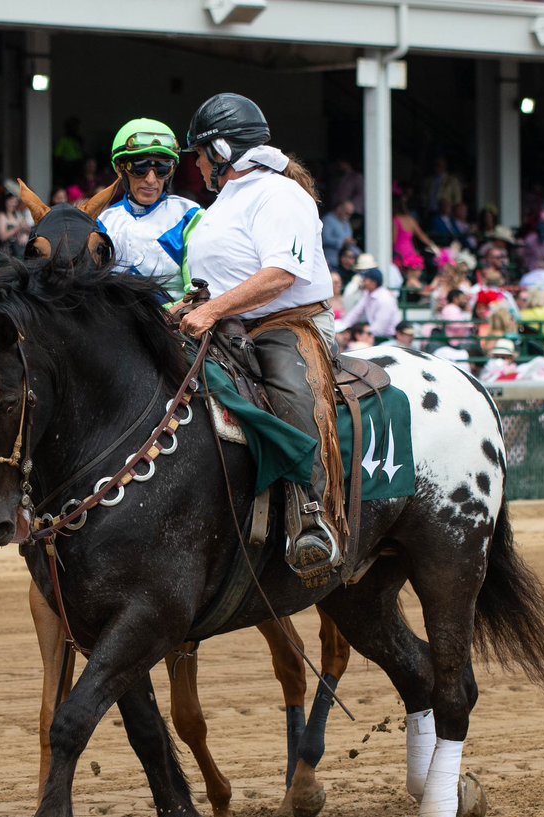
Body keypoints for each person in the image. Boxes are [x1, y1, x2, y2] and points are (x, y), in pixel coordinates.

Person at [181, 92, 340, 578]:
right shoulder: (224, 202)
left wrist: (212, 310)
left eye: (200, 154)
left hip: (288, 325)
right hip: (228, 325)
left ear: (221, 150)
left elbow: (280, 276)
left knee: (288, 391)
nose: (197, 165)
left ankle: (310, 516)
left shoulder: (279, 195)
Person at [97, 117, 200, 302]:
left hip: (176, 318)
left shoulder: (190, 216)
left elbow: (197, 292)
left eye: (162, 169)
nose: (151, 180)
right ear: (120, 169)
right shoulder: (104, 222)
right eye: (140, 168)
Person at [337, 267, 401, 339]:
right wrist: (343, 326)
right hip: (375, 335)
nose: (363, 281)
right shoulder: (368, 295)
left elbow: (379, 329)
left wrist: (361, 333)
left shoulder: (385, 299)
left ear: (373, 283)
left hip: (388, 338)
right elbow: (356, 313)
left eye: (365, 279)